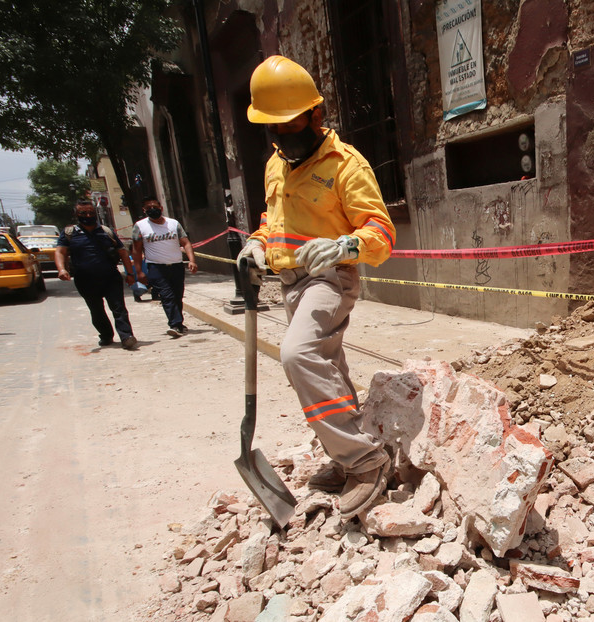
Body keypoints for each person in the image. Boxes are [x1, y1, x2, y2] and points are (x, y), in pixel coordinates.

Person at [237, 55, 397, 519]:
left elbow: (382, 232)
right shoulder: (275, 165)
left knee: (298, 354)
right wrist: (256, 243)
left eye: (291, 123)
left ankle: (365, 462)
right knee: (327, 366)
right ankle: (345, 454)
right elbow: (272, 219)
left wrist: (346, 244)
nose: (282, 134)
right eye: (274, 126)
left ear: (315, 114)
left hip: (330, 277)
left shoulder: (345, 165)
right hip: (289, 281)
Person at [54, 200, 139, 349]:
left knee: (119, 308)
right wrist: (62, 269)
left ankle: (126, 337)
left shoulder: (106, 231)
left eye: (91, 213)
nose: (88, 215)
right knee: (96, 309)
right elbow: (60, 252)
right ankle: (106, 335)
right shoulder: (70, 233)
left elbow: (122, 252)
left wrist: (130, 274)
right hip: (85, 279)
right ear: (76, 214)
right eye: (83, 213)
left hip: (110, 277)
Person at [131, 197, 198, 338]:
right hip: (156, 267)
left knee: (177, 295)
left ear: (161, 208)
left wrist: (192, 260)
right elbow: (136, 250)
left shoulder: (173, 224)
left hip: (176, 266)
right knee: (167, 296)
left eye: (155, 207)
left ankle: (179, 323)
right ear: (144, 210)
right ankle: (175, 324)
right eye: (148, 208)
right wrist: (138, 271)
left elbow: (186, 243)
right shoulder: (140, 226)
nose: (152, 210)